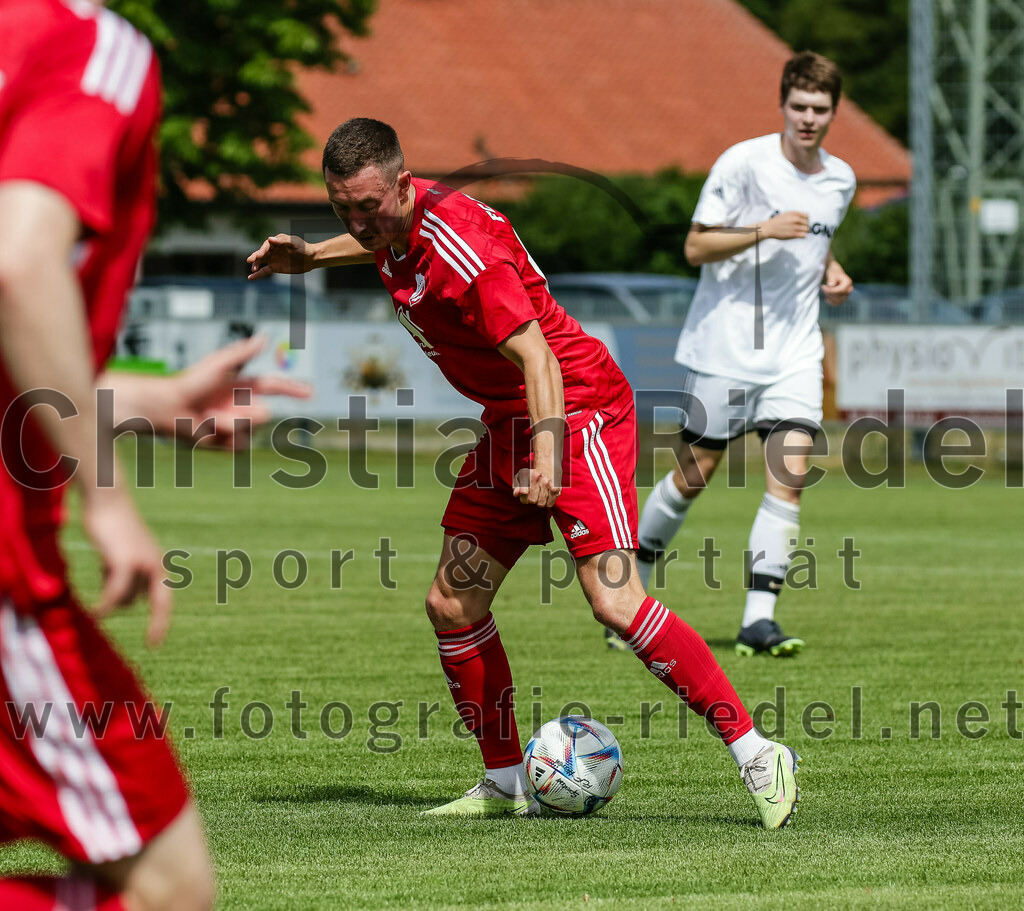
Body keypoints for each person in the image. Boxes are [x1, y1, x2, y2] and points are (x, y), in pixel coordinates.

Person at [248, 117, 802, 829]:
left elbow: (538, 358)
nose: (357, 222)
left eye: (367, 208)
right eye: (340, 209)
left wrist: (548, 455)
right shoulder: (393, 227)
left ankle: (758, 750)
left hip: (575, 409)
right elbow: (377, 242)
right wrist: (313, 256)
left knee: (615, 601)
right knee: (453, 602)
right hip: (513, 419)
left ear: (405, 186)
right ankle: (505, 781)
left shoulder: (465, 255)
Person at [0, 2, 308, 908]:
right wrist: (107, 496)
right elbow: (19, 263)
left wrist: (149, 403)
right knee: (170, 886)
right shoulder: (94, 46)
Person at [632, 51, 856, 658]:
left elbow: (815, 248)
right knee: (693, 476)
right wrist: (762, 229)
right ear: (782, 104)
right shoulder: (743, 163)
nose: (808, 118)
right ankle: (631, 586)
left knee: (789, 478)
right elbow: (696, 247)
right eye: (799, 106)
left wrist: (833, 273)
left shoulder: (841, 178)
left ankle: (760, 620)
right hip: (726, 348)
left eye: (820, 109)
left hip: (795, 354)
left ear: (834, 113)